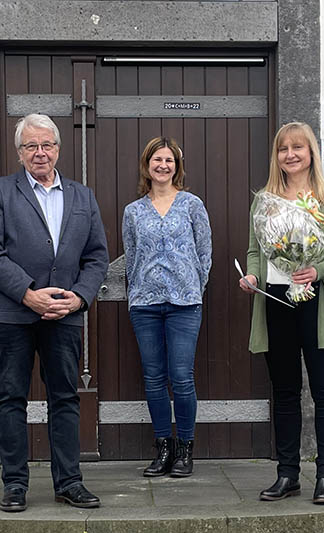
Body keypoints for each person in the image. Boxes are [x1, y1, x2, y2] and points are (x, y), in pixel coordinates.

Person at [0, 113, 110, 512]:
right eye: (31, 146)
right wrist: (28, 294)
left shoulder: (82, 196)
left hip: (65, 316)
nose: (39, 153)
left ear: (58, 149)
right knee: (11, 398)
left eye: (46, 144)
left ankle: (69, 481)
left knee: (65, 398)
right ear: (19, 152)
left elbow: (97, 256)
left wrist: (81, 297)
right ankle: (14, 485)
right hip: (12, 315)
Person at [238, 121, 324, 505]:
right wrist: (253, 274)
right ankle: (287, 473)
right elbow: (256, 249)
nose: (290, 155)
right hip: (276, 301)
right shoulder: (264, 200)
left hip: (317, 300)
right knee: (285, 393)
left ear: (311, 153)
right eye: (282, 149)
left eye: (297, 148)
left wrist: (317, 269)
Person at [122, 137, 212, 478]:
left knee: (182, 377)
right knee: (154, 379)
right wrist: (137, 292)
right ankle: (163, 448)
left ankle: (185, 449)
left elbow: (205, 253)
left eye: (169, 160)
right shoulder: (133, 211)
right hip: (144, 304)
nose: (163, 165)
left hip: (185, 304)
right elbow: (130, 256)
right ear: (147, 166)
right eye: (157, 159)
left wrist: (193, 287)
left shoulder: (191, 205)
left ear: (177, 166)